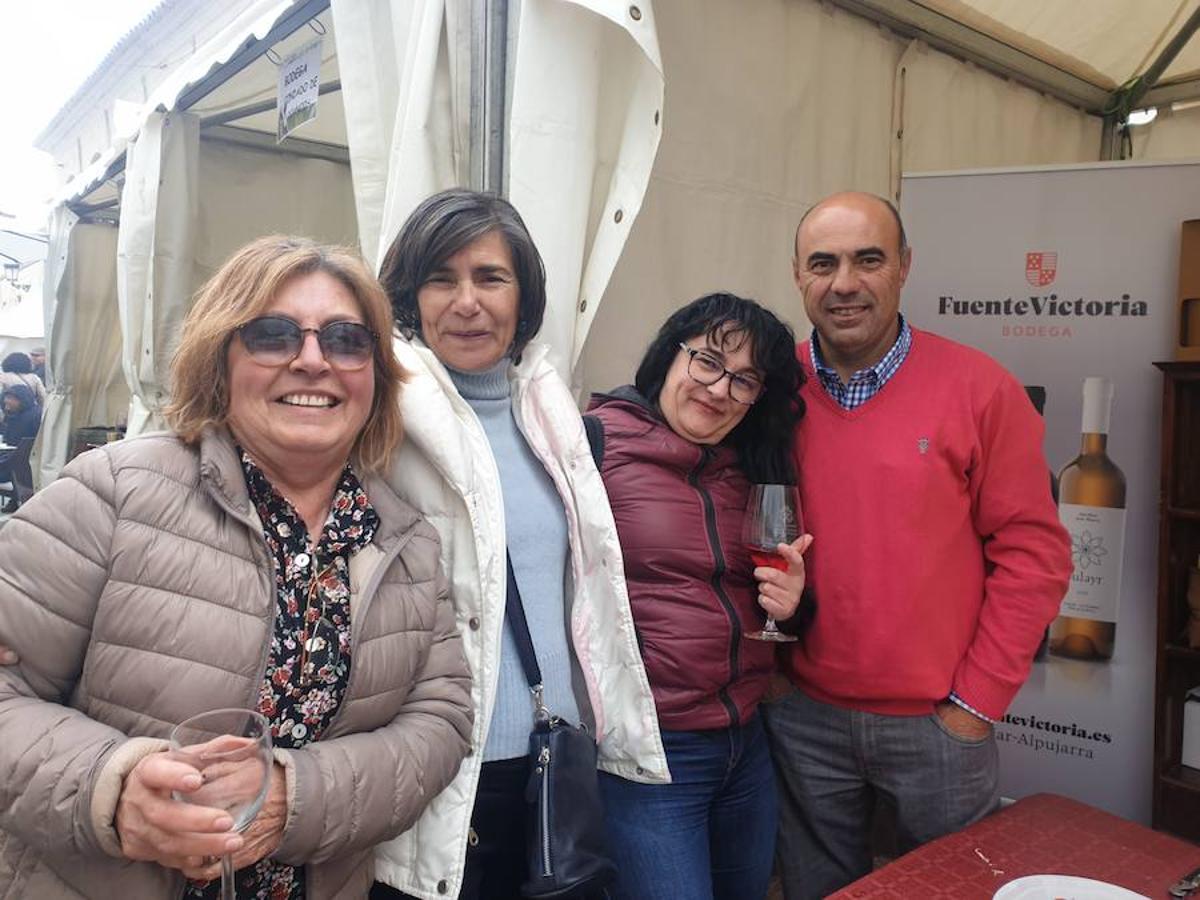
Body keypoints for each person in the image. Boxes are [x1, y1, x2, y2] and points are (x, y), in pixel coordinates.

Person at [0, 235, 473, 899]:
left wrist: (294, 796)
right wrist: (111, 788)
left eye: (346, 340)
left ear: (376, 375)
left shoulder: (405, 541)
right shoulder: (114, 494)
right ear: (220, 359)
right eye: (273, 335)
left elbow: (440, 723)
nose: (313, 361)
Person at [761, 191, 1073, 898]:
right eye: (823, 263)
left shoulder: (981, 390)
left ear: (905, 267)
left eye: (868, 260)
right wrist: (773, 678)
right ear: (797, 274)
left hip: (939, 727)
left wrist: (975, 705)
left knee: (948, 892)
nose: (844, 283)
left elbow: (1034, 556)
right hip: (803, 717)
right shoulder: (772, 391)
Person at [370, 189, 668, 900]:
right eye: (440, 279)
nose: (466, 302)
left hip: (552, 757)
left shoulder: (553, 415)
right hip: (444, 767)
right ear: (410, 296)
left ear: (523, 295)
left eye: (490, 278)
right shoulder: (379, 424)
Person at [587, 293, 813, 900]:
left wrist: (794, 602)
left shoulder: (750, 465)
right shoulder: (594, 445)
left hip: (747, 743)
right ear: (671, 354)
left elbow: (758, 598)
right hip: (652, 753)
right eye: (708, 361)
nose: (718, 390)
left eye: (744, 380)